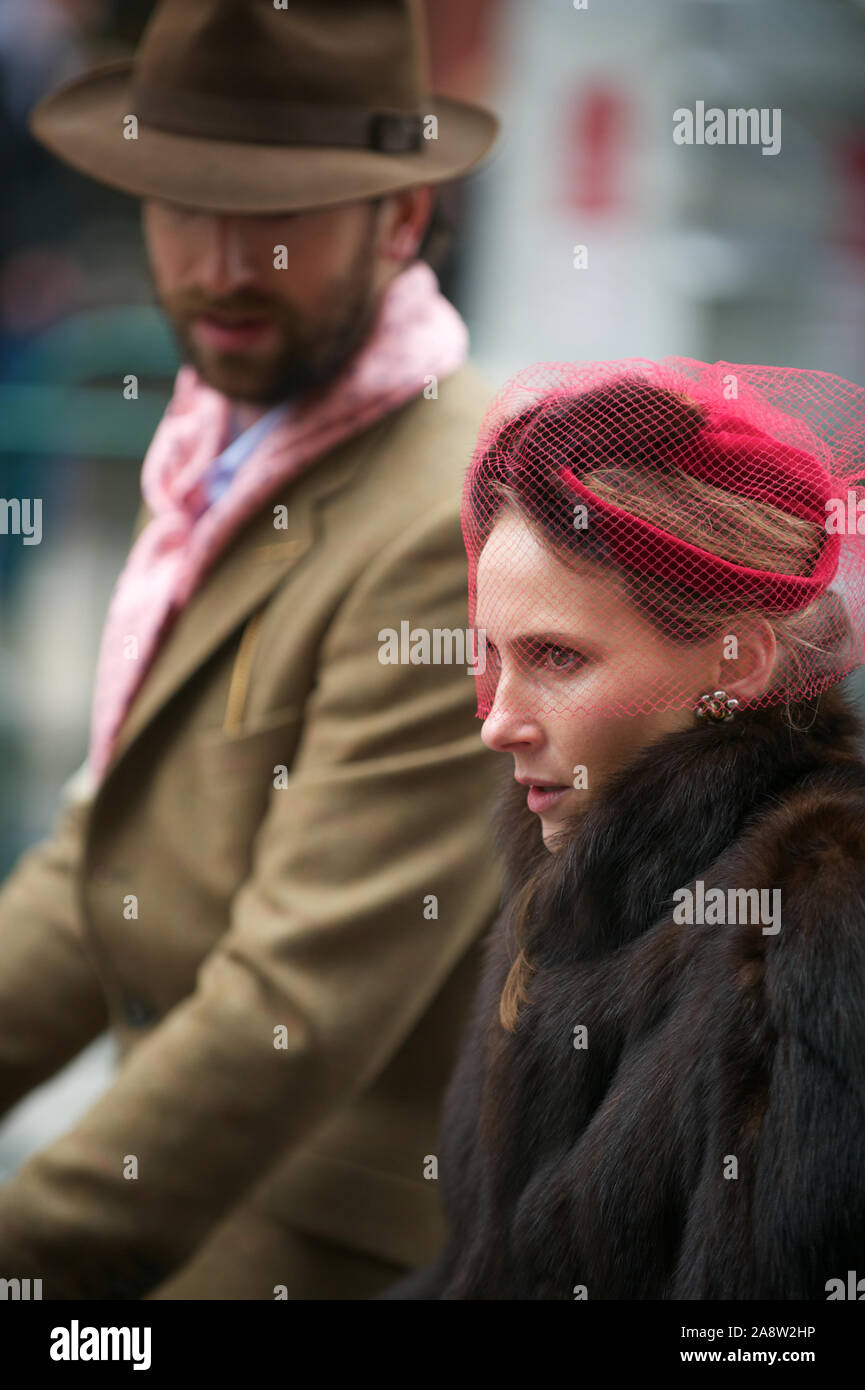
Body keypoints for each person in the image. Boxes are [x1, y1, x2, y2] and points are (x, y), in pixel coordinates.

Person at [0, 0, 504, 1299]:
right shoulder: (223, 440)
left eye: (278, 217)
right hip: (199, 1171)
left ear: (400, 220)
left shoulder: (442, 517)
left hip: (324, 1232)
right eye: (183, 204)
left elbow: (294, 1005)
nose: (221, 261)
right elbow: (100, 864)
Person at [382, 357, 865, 1299]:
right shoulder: (572, 869)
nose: (496, 719)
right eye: (489, 656)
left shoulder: (817, 911)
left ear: (737, 663)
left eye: (555, 657)